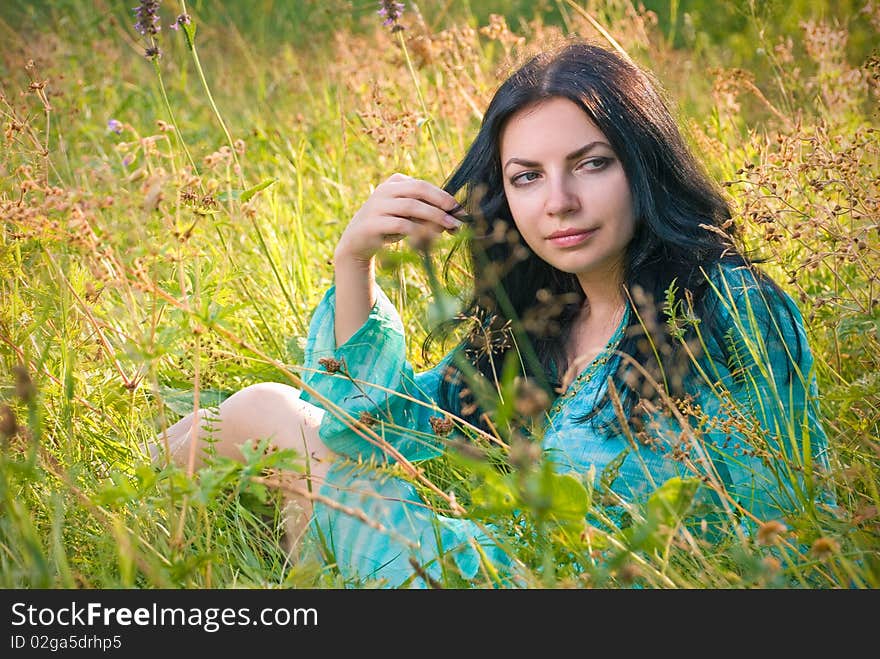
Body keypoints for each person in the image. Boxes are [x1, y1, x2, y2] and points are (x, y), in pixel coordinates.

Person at [151, 39, 831, 588]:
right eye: (526, 176)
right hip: (472, 563)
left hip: (490, 581)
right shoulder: (538, 320)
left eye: (591, 164)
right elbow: (384, 432)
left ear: (643, 165)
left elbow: (775, 529)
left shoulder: (727, 307)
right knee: (274, 413)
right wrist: (352, 261)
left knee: (272, 414)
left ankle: (176, 489)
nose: (557, 201)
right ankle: (179, 501)